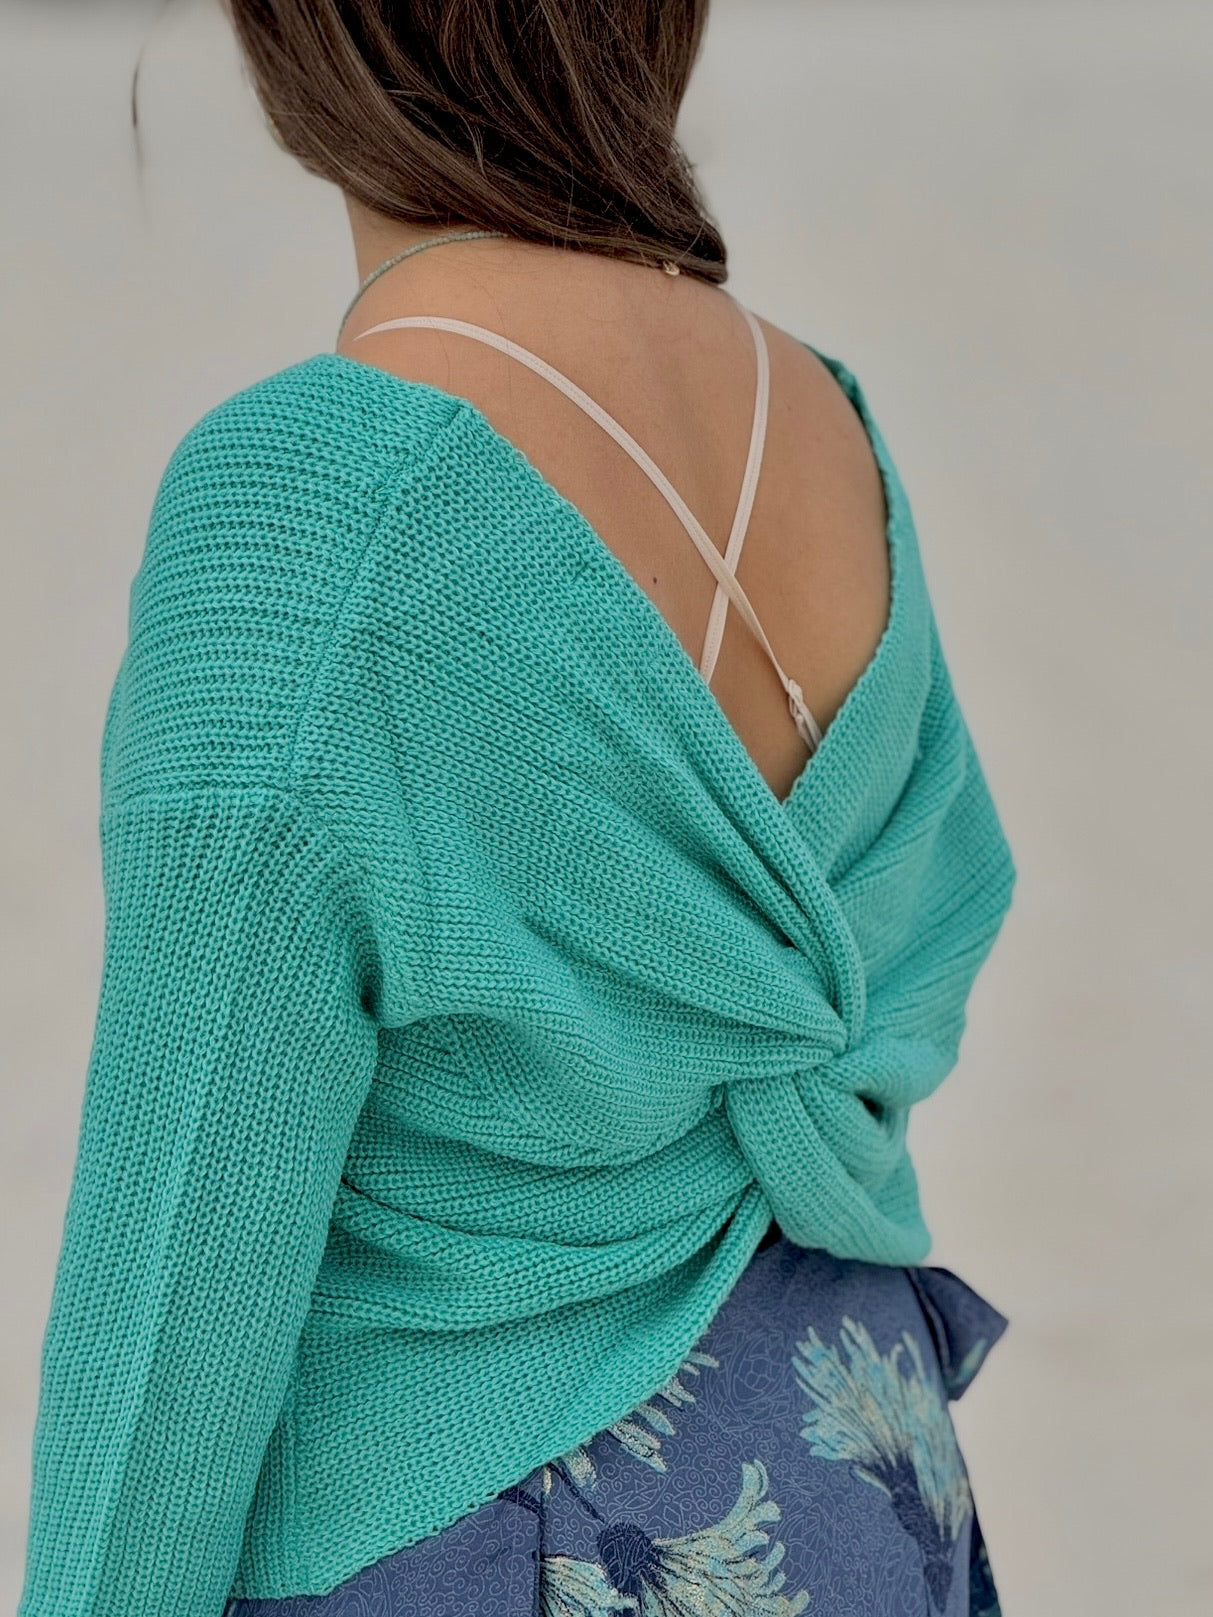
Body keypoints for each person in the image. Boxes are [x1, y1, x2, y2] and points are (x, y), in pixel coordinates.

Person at [18, 4, 1017, 1615]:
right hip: (858, 1470)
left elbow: (178, 1281)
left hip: (513, 1531)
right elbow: (926, 935)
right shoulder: (824, 419)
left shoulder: (310, 503)